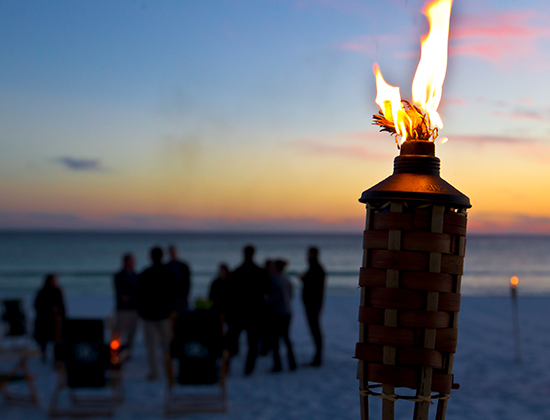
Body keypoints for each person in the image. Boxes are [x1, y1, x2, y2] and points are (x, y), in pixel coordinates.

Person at [226, 244, 269, 376]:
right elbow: (266, 292)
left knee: (231, 342)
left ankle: (226, 367)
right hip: (254, 313)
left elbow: (230, 293)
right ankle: (249, 369)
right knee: (252, 343)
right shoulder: (260, 272)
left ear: (243, 254)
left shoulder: (237, 271)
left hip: (238, 312)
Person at [136, 246, 178, 380]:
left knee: (152, 347)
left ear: (151, 257)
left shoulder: (145, 274)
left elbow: (139, 295)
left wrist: (141, 311)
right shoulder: (168, 273)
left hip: (149, 315)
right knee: (167, 346)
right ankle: (170, 371)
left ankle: (155, 373)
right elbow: (174, 294)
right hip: (163, 315)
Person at [268, 259, 296, 372]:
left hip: (277, 312)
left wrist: (267, 299)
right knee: (286, 338)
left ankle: (277, 365)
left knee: (275, 340)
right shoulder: (287, 280)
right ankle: (292, 363)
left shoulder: (273, 280)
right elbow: (290, 295)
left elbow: (274, 298)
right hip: (287, 312)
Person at [300, 246, 326, 367]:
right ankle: (317, 357)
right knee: (315, 331)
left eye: (309, 254)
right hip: (312, 304)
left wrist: (305, 281)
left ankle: (318, 358)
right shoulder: (314, 268)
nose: (307, 256)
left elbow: (316, 287)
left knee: (315, 331)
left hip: (313, 305)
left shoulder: (317, 269)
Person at [33, 273, 65, 362]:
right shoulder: (42, 292)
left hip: (54, 321)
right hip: (44, 320)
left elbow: (62, 307)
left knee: (57, 340)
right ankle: (44, 355)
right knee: (44, 339)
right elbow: (37, 306)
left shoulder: (57, 291)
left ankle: (57, 358)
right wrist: (50, 309)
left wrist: (61, 317)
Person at [113, 253, 139, 351]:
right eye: (131, 261)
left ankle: (128, 351)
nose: (133, 263)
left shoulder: (136, 276)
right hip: (123, 309)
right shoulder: (119, 276)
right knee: (118, 332)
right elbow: (121, 295)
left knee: (132, 332)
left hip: (134, 308)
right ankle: (115, 351)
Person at [166, 245, 191, 314]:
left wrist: (185, 296)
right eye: (171, 252)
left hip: (181, 298)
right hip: (170, 299)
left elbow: (187, 282)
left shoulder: (183, 266)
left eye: (173, 252)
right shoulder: (166, 267)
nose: (172, 254)